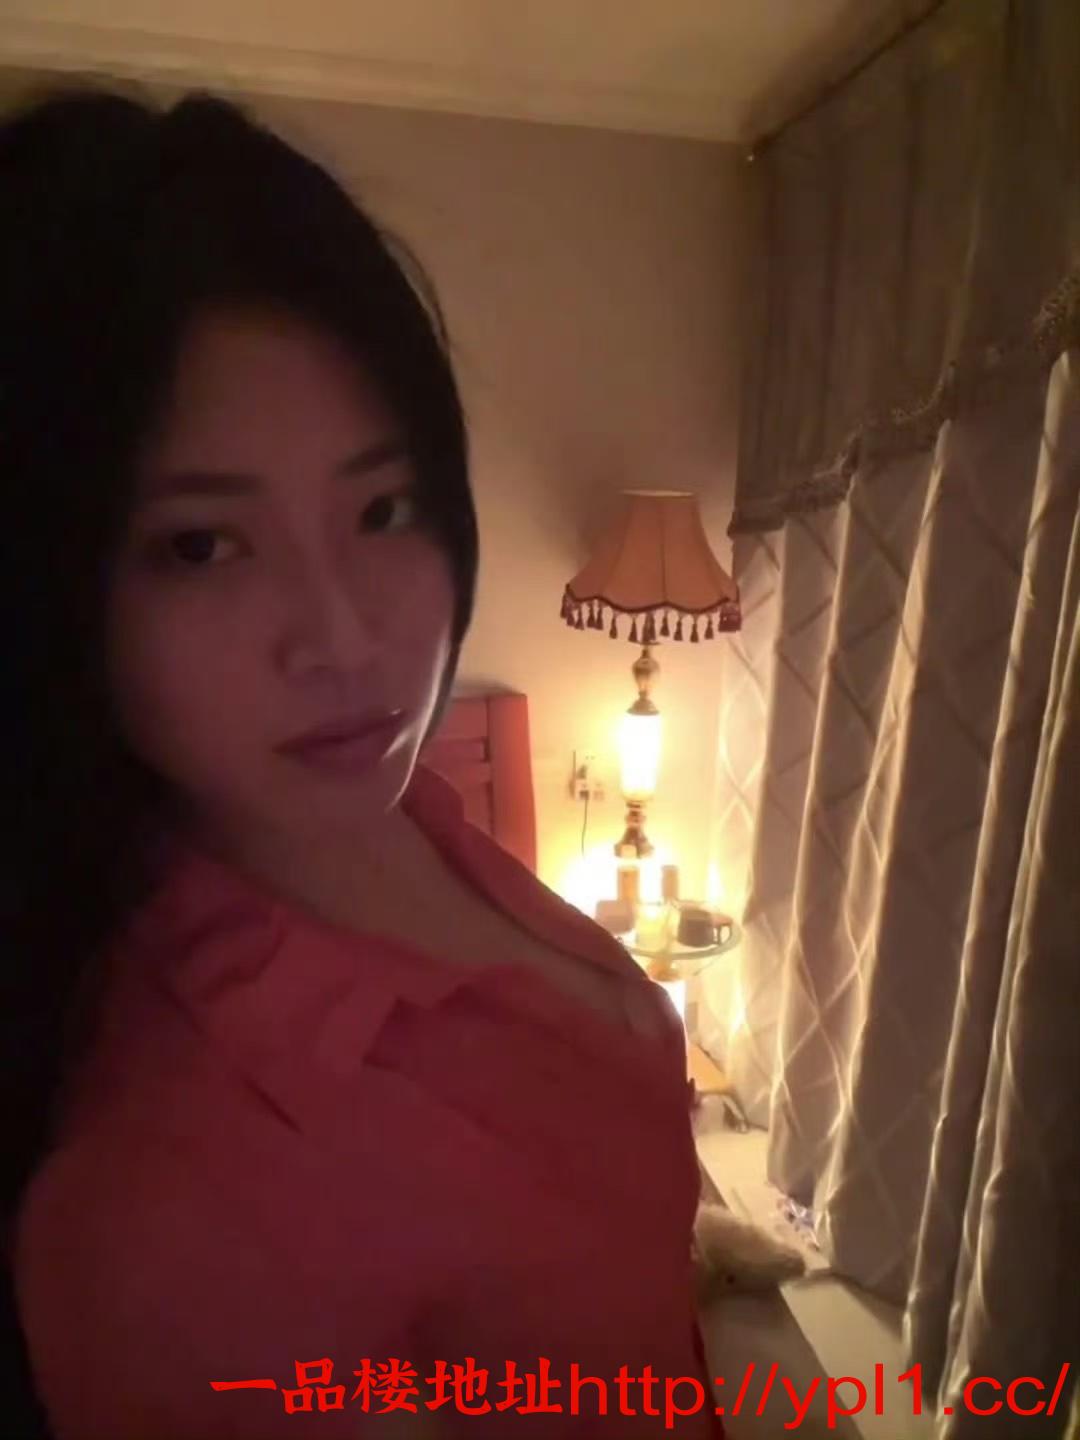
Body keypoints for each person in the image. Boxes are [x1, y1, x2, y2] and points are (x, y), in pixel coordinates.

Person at [1, 84, 722, 1438]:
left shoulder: (401, 812)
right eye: (201, 545)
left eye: (385, 507)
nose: (347, 639)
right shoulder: (179, 1204)